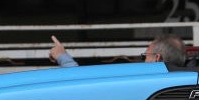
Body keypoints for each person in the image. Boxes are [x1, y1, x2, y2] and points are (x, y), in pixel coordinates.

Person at [49, 34, 187, 67]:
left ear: (156, 58)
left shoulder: (145, 83)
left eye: (145, 56)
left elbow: (92, 91)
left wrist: (62, 56)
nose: (143, 60)